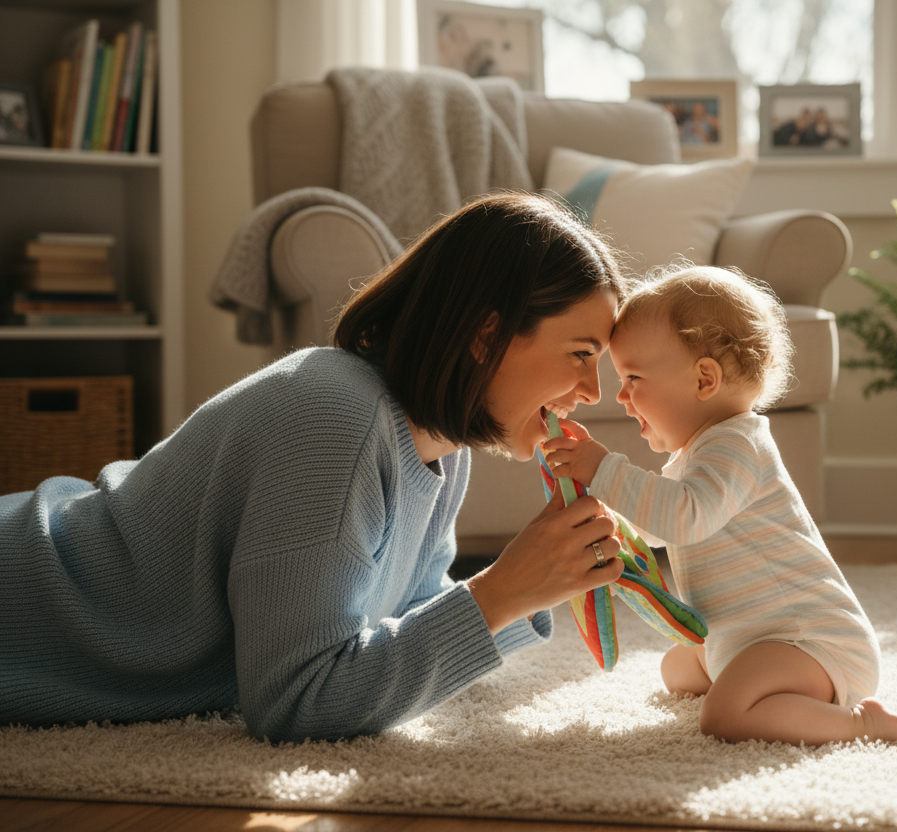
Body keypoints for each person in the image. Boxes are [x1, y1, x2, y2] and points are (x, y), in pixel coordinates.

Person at [0, 193, 629, 742]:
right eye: (580, 353)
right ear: (486, 336)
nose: (592, 390)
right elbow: (298, 696)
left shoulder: (443, 449)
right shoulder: (334, 415)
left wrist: (544, 584)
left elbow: (393, 620)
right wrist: (502, 592)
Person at [542, 266, 897, 746]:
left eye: (633, 377)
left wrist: (605, 470)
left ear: (704, 379)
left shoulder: (736, 446)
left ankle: (862, 722)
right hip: (753, 639)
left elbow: (685, 517)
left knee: (724, 716)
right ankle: (754, 683)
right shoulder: (698, 452)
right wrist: (608, 515)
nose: (622, 397)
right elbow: (663, 526)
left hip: (811, 642)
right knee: (676, 669)